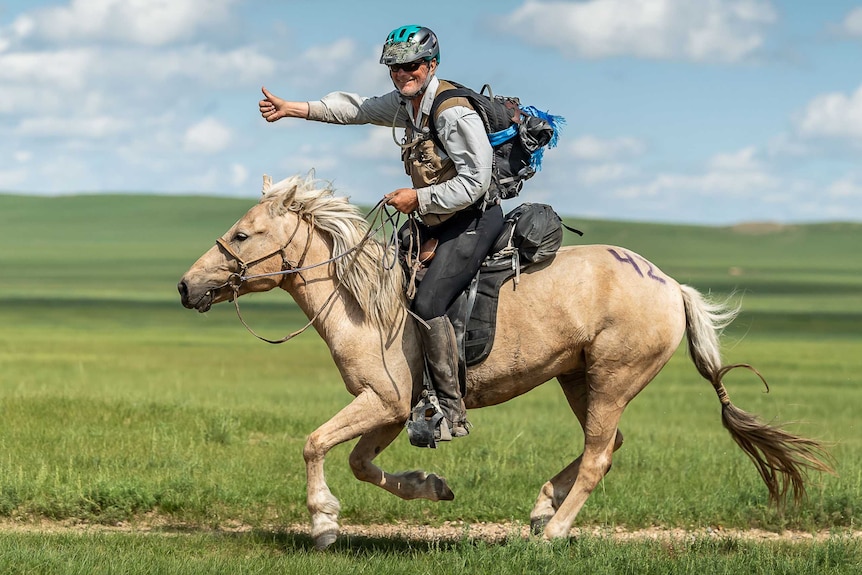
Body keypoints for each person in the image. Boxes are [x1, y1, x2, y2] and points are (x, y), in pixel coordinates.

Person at [259, 25, 504, 440]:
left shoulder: (451, 112)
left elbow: (476, 181)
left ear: (431, 65)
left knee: (428, 303)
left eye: (411, 66)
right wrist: (294, 108)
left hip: (473, 219)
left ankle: (449, 410)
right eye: (395, 68)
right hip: (435, 221)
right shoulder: (406, 104)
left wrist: (418, 200)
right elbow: (356, 109)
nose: (403, 73)